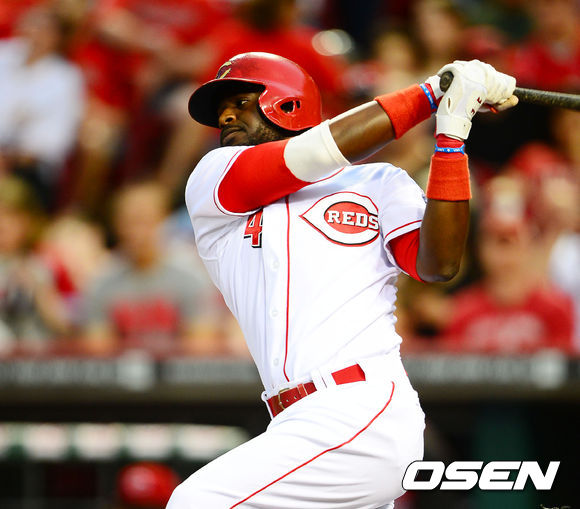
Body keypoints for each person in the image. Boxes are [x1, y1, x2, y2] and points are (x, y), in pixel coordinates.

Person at [167, 52, 517, 508]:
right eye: (221, 110)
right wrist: (429, 94)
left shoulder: (377, 181)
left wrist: (451, 136)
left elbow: (438, 264)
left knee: (198, 502)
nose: (226, 116)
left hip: (359, 405)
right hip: (293, 420)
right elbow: (313, 153)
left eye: (241, 101)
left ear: (287, 103)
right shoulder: (213, 179)